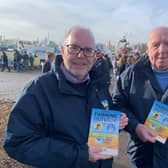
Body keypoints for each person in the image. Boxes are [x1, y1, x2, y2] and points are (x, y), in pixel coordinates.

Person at [3, 26, 128, 168]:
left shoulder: (99, 86)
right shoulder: (38, 90)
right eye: (73, 47)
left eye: (88, 50)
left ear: (94, 56)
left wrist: (114, 124)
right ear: (62, 51)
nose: (81, 55)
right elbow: (18, 143)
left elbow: (100, 124)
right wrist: (80, 154)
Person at [112, 26, 168, 168]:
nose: (162, 50)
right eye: (156, 45)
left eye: (167, 43)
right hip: (142, 158)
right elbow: (117, 104)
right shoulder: (131, 74)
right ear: (148, 50)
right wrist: (135, 126)